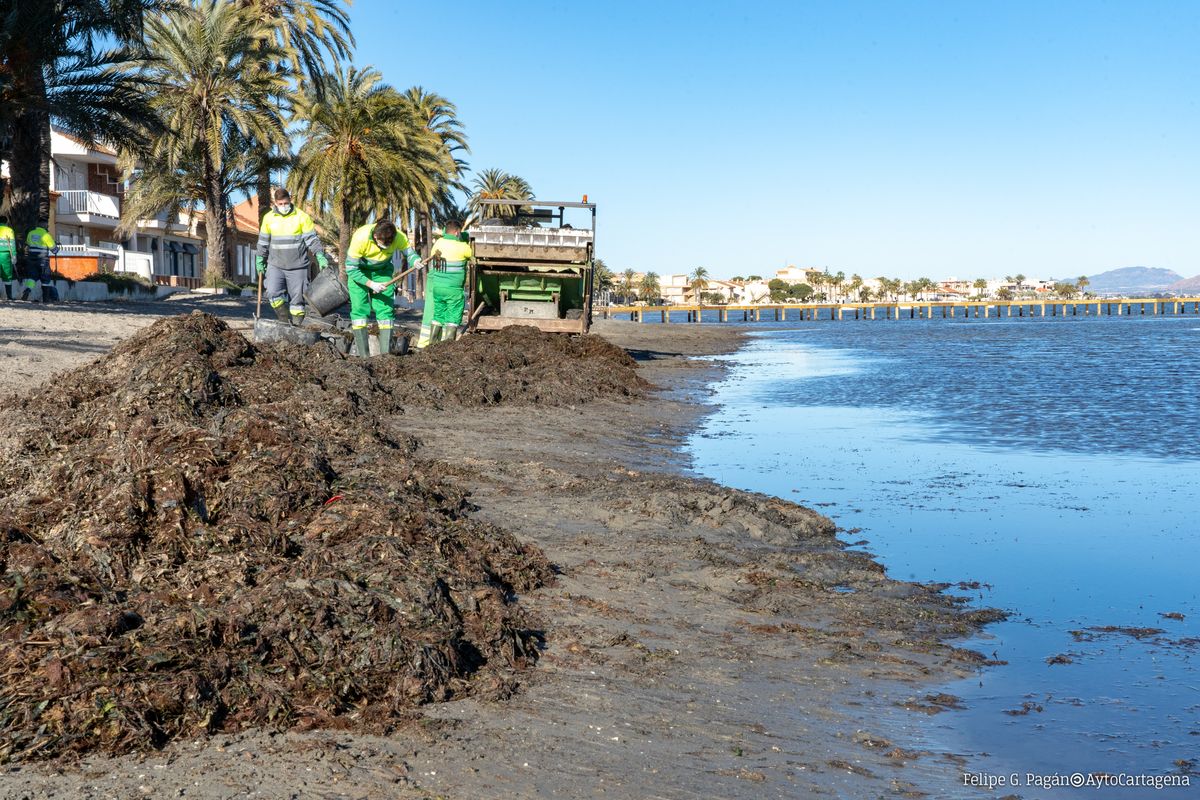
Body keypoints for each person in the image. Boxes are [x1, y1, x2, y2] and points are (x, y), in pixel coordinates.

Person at [344, 219, 421, 357]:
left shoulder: (398, 237)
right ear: (375, 236)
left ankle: (385, 356)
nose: (386, 247)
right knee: (359, 311)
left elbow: (409, 253)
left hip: (382, 272)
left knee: (386, 311)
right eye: (383, 244)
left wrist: (415, 260)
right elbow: (351, 269)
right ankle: (364, 357)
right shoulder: (360, 237)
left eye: (389, 244)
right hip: (359, 273)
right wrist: (370, 284)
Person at [256, 188, 327, 326]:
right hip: (275, 265)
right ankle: (284, 321)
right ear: (275, 203)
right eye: (280, 204)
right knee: (272, 292)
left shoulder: (302, 217)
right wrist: (260, 258)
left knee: (298, 301)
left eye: (285, 203)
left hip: (298, 266)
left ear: (290, 200)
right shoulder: (269, 218)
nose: (283, 206)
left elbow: (311, 240)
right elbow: (263, 242)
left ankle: (297, 327)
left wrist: (320, 255)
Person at [417, 220, 472, 347]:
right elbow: (473, 255)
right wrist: (464, 238)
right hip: (454, 291)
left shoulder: (438, 244)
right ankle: (447, 347)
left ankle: (432, 345)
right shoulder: (463, 247)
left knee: (438, 316)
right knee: (452, 319)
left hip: (438, 289)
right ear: (457, 232)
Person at [23, 222, 58, 302]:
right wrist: (56, 246)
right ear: (44, 225)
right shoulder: (46, 235)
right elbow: (54, 250)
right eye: (47, 225)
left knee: (32, 277)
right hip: (43, 260)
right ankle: (45, 299)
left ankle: (27, 290)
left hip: (31, 259)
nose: (48, 226)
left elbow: (27, 245)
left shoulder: (30, 233)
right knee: (45, 278)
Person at [0, 216, 16, 300]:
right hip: (5, 255)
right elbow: (12, 245)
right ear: (6, 222)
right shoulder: (9, 230)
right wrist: (14, 256)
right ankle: (9, 296)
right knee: (7, 276)